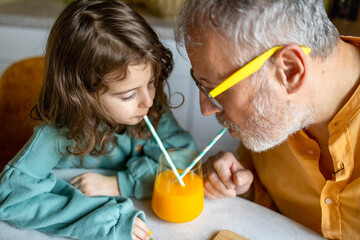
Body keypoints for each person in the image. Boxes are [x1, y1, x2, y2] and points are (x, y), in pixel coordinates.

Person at [0, 1, 197, 240]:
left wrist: (119, 183)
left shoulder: (150, 108)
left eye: (151, 82)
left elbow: (185, 159)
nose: (148, 100)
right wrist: (101, 220)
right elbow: (12, 198)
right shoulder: (59, 131)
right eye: (129, 94)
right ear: (83, 96)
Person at [175, 0, 360, 239]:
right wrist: (240, 186)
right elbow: (267, 198)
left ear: (290, 70)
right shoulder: (272, 115)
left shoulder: (270, 106)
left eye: (215, 89)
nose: (206, 109)